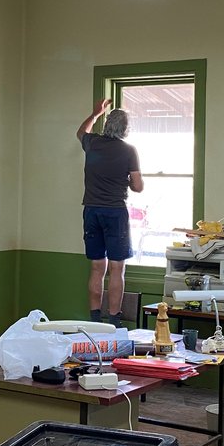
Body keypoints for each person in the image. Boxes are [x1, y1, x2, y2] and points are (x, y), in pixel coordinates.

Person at [77, 98, 143, 326]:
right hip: (115, 212)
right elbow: (138, 186)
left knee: (97, 268)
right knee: (117, 268)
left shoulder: (92, 143)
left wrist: (95, 113)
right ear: (125, 129)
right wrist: (127, 180)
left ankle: (95, 319)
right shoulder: (128, 151)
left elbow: (80, 132)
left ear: (106, 125)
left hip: (91, 211)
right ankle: (114, 320)